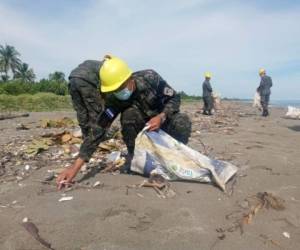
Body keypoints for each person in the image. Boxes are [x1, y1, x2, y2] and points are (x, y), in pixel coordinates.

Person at [56, 55, 192, 189]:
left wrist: (161, 117)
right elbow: (98, 128)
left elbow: (174, 98)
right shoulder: (114, 100)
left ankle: (176, 154)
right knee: (128, 114)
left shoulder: (150, 78)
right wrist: (75, 167)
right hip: (143, 131)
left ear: (130, 79)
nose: (119, 92)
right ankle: (135, 158)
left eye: (121, 87)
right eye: (114, 90)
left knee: (182, 121)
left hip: (162, 123)